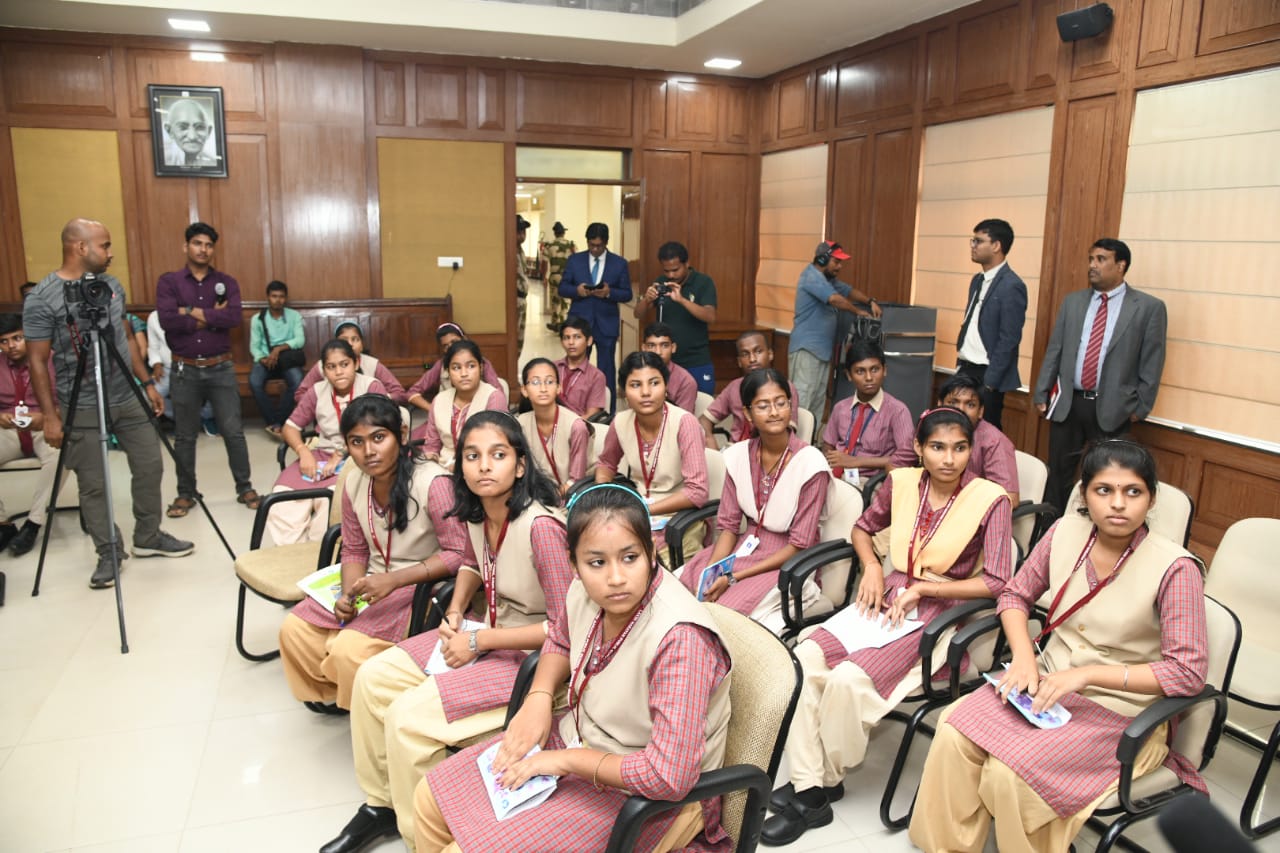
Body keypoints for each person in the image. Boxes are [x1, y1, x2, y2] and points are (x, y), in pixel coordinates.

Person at [909, 440, 1208, 853]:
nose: (1118, 504)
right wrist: (1024, 658)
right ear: (1084, 494)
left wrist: (1086, 675)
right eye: (1104, 490)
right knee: (953, 727)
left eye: (1133, 492)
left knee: (1011, 774)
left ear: (1151, 499)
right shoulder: (1065, 531)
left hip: (1121, 712)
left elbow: (1187, 673)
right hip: (1044, 685)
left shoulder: (1176, 568)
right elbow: (1014, 595)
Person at [412, 482, 733, 853]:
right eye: (597, 562)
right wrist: (539, 696)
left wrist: (565, 760)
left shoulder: (681, 639)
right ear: (573, 564)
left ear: (651, 552)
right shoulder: (582, 590)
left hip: (647, 797)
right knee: (429, 799)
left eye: (630, 557)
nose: (615, 578)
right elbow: (562, 639)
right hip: (578, 736)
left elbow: (668, 776)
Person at [762, 407, 1013, 846]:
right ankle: (811, 784)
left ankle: (818, 784)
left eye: (959, 448)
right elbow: (862, 529)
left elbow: (996, 581)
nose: (949, 459)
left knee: (848, 679)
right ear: (918, 448)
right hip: (889, 593)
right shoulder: (901, 483)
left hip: (938, 609)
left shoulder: (991, 499)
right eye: (937, 447)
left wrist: (927, 590)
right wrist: (874, 567)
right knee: (803, 660)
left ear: (971, 450)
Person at [328, 410, 572, 850]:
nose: (484, 466)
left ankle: (422, 834)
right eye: (472, 456)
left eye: (498, 455)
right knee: (371, 678)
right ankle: (381, 805)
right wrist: (456, 610)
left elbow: (566, 631)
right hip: (485, 631)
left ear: (520, 465)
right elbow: (473, 563)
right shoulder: (478, 512)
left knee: (406, 719)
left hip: (531, 658)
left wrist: (478, 640)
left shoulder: (541, 528)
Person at [23, 218, 193, 589]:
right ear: (80, 247)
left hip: (126, 395)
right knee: (93, 483)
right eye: (105, 245)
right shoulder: (42, 297)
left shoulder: (110, 286)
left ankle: (148, 535)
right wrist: (50, 416)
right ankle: (108, 550)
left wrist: (146, 383)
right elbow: (36, 360)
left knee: (149, 464)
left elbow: (126, 338)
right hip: (80, 402)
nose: (110, 253)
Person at [278, 394, 458, 711]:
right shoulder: (354, 483)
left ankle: (366, 707)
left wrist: (394, 580)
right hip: (371, 583)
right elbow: (354, 549)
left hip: (420, 586)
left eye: (378, 438)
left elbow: (459, 554)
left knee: (347, 650)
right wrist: (349, 595)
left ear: (402, 435)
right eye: (356, 442)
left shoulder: (434, 483)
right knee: (295, 630)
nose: (369, 451)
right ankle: (347, 696)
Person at [678, 369, 830, 634]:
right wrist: (714, 570)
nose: (774, 412)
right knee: (687, 584)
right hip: (745, 545)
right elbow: (728, 527)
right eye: (763, 405)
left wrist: (733, 577)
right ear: (748, 414)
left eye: (781, 403)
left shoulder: (811, 464)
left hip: (787, 561)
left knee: (724, 612)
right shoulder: (737, 456)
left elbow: (798, 545)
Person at [1034, 239, 1168, 514]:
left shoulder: (1148, 307)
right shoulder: (1073, 302)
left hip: (1113, 407)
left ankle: (1095, 525)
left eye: (1101, 259)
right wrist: (1041, 391)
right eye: (1091, 259)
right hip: (1069, 402)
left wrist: (1141, 407)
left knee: (1106, 474)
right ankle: (1050, 526)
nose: (1092, 265)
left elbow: (1152, 361)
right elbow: (1056, 349)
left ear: (1121, 265)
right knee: (1058, 472)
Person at [156, 221, 259, 517]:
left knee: (233, 432)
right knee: (185, 436)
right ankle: (185, 493)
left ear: (214, 249)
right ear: (186, 246)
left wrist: (188, 312)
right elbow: (167, 320)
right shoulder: (170, 282)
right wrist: (212, 315)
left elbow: (233, 318)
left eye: (209, 245)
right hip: (184, 369)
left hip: (220, 367)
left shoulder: (227, 282)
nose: (203, 249)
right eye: (197, 243)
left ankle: (245, 488)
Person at [270, 339, 387, 546]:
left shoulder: (371, 386)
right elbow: (290, 427)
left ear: (356, 363)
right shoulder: (317, 390)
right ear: (323, 370)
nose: (338, 372)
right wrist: (303, 451)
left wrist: (340, 454)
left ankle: (319, 555)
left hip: (360, 457)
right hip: (321, 455)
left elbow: (379, 429)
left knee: (331, 503)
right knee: (282, 497)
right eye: (331, 367)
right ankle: (292, 553)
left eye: (344, 364)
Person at [595, 351, 708, 564]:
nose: (646, 392)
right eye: (635, 385)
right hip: (635, 518)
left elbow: (697, 493)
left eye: (654, 383)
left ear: (666, 387)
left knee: (639, 564)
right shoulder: (621, 422)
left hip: (678, 521)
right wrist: (603, 492)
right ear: (624, 392)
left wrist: (643, 509)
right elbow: (606, 463)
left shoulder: (685, 423)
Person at [788, 240, 881, 420]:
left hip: (822, 352)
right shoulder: (811, 276)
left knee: (816, 404)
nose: (840, 266)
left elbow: (849, 291)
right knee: (802, 402)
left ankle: (811, 437)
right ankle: (794, 438)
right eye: (836, 261)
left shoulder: (828, 280)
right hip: (807, 350)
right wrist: (857, 311)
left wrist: (870, 301)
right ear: (822, 260)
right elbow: (834, 299)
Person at [955, 219, 1028, 431]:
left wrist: (990, 383)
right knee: (958, 431)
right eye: (972, 240)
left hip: (986, 375)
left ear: (996, 246)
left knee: (985, 436)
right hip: (965, 369)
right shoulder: (977, 280)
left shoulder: (1012, 285)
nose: (973, 245)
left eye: (978, 241)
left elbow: (1009, 339)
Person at [0, 313, 60, 556]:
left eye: (17, 338)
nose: (11, 346)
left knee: (59, 454)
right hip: (8, 429)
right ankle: (3, 525)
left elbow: (73, 403)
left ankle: (33, 524)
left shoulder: (53, 360)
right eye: (4, 341)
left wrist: (47, 417)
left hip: (44, 426)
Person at [819, 339, 916, 487]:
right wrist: (832, 463)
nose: (869, 377)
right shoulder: (840, 408)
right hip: (835, 475)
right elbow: (828, 445)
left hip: (869, 481)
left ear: (885, 370)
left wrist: (857, 461)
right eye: (860, 371)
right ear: (849, 375)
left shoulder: (897, 411)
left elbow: (907, 457)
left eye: (875, 369)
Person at [558, 223, 632, 411]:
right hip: (580, 325)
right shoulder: (575, 260)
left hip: (606, 325)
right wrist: (577, 291)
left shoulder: (619, 263)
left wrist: (609, 293)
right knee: (577, 368)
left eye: (599, 246)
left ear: (606, 242)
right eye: (591, 245)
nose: (595, 249)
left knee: (606, 370)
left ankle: (607, 413)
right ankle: (575, 408)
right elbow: (562, 288)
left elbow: (627, 294)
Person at [633, 241, 718, 395]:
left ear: (687, 264)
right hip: (667, 362)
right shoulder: (661, 282)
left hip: (696, 360)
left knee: (702, 404)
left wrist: (682, 300)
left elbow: (710, 316)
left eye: (675, 270)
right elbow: (638, 314)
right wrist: (647, 300)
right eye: (666, 271)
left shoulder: (703, 282)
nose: (671, 275)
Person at [412, 340, 508, 474]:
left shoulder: (493, 398)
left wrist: (460, 466)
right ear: (448, 372)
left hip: (483, 468)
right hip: (443, 467)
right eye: (456, 368)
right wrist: (430, 460)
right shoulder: (439, 400)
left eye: (471, 366)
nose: (464, 373)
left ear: (481, 368)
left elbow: (494, 444)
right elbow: (432, 446)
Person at [700, 330, 800, 449]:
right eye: (745, 354)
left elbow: (786, 432)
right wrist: (714, 450)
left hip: (772, 450)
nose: (752, 359)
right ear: (739, 362)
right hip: (735, 449)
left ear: (770, 354)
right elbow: (704, 420)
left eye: (758, 351)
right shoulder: (734, 387)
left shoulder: (784, 387)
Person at [940, 372, 1019, 504]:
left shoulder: (994, 441)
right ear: (940, 404)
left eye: (970, 405)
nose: (961, 410)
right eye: (953, 402)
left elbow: (1010, 497)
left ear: (980, 411)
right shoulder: (932, 431)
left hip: (971, 509)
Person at [517, 358, 591, 496]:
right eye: (535, 382)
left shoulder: (576, 426)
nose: (543, 389)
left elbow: (576, 481)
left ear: (558, 388)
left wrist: (553, 495)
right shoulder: (520, 424)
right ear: (524, 390)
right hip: (532, 495)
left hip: (572, 496)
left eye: (550, 382)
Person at [297, 320, 408, 405]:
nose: (350, 344)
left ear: (362, 345)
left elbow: (399, 393)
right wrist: (321, 403)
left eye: (355, 339)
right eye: (344, 340)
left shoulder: (372, 364)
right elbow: (300, 393)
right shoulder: (322, 365)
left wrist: (378, 398)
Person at [249, 280, 305, 439]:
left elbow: (300, 340)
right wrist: (263, 359)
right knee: (254, 382)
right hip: (266, 360)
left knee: (298, 381)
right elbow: (254, 346)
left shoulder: (294, 316)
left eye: (281, 296)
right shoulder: (258, 319)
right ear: (268, 297)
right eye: (274, 296)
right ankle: (275, 422)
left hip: (287, 359)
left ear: (285, 298)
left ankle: (277, 422)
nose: (278, 300)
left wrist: (278, 349)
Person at [406, 322, 501, 412]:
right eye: (445, 346)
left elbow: (498, 394)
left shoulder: (482, 363)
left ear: (464, 339)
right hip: (447, 416)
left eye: (454, 342)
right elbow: (412, 393)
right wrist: (434, 411)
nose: (451, 347)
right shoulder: (441, 365)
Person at [554, 317, 607, 421]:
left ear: (589, 341)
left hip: (578, 425)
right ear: (561, 342)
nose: (571, 342)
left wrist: (570, 426)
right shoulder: (552, 368)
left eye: (577, 337)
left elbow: (592, 415)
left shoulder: (596, 376)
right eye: (566, 338)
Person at [641, 322, 698, 412]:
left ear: (673, 348)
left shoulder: (686, 382)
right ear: (644, 348)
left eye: (664, 345)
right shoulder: (635, 374)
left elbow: (682, 418)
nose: (658, 352)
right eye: (651, 346)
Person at [162, 97, 217, 168]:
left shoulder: (213, 163)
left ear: (209, 131)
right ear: (169, 131)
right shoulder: (165, 161)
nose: (192, 137)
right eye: (183, 128)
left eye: (200, 127)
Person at [541, 221, 575, 332]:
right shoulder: (571, 245)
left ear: (555, 233)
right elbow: (576, 260)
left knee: (555, 300)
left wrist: (544, 277)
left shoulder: (549, 245)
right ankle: (564, 323)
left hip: (554, 277)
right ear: (563, 233)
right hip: (567, 277)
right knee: (565, 301)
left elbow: (544, 263)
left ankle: (555, 323)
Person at [515, 215, 531, 356]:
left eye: (523, 231)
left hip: (522, 300)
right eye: (519, 231)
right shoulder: (509, 251)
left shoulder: (520, 251)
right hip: (514, 300)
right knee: (513, 340)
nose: (522, 234)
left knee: (519, 341)